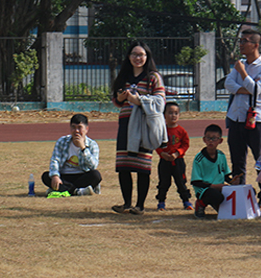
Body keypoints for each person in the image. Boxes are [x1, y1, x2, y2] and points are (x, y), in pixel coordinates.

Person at [111, 41, 166, 215]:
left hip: (143, 125)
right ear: (129, 57)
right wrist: (121, 98)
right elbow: (116, 101)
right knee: (123, 165)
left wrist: (140, 101)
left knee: (142, 166)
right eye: (134, 54)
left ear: (147, 57)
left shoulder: (153, 77)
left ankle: (140, 205)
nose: (138, 58)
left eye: (141, 54)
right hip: (125, 123)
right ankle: (126, 203)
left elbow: (160, 102)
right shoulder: (124, 76)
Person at [224, 28, 261, 207]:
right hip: (237, 118)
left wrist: (243, 74)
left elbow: (257, 90)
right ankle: (240, 194)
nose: (241, 44)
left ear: (256, 45)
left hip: (257, 121)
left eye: (245, 41)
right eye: (241, 41)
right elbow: (228, 84)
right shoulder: (240, 64)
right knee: (237, 159)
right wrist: (244, 87)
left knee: (260, 158)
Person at [42, 113, 102, 197]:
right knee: (46, 176)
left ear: (86, 129)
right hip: (64, 176)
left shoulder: (92, 144)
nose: (76, 131)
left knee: (96, 175)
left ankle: (62, 189)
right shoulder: (62, 141)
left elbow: (93, 166)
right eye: (73, 127)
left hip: (81, 175)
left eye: (79, 128)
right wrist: (55, 176)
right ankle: (77, 191)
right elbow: (55, 160)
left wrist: (83, 148)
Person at [191, 124, 241, 219]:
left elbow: (225, 174)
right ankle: (200, 204)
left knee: (237, 195)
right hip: (204, 189)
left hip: (219, 188)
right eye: (208, 138)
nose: (211, 141)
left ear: (220, 141)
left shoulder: (221, 155)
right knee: (216, 196)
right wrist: (214, 186)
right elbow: (195, 182)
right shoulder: (199, 159)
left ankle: (218, 205)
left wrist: (232, 181)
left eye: (214, 138)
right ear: (204, 139)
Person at [154, 101, 193, 211]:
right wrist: (162, 153)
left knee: (181, 182)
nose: (173, 115)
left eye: (176, 113)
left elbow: (186, 144)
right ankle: (161, 202)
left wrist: (177, 153)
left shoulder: (181, 131)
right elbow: (156, 143)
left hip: (178, 161)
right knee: (164, 183)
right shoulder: (162, 130)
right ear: (164, 115)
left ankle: (186, 201)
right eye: (170, 113)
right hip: (164, 161)